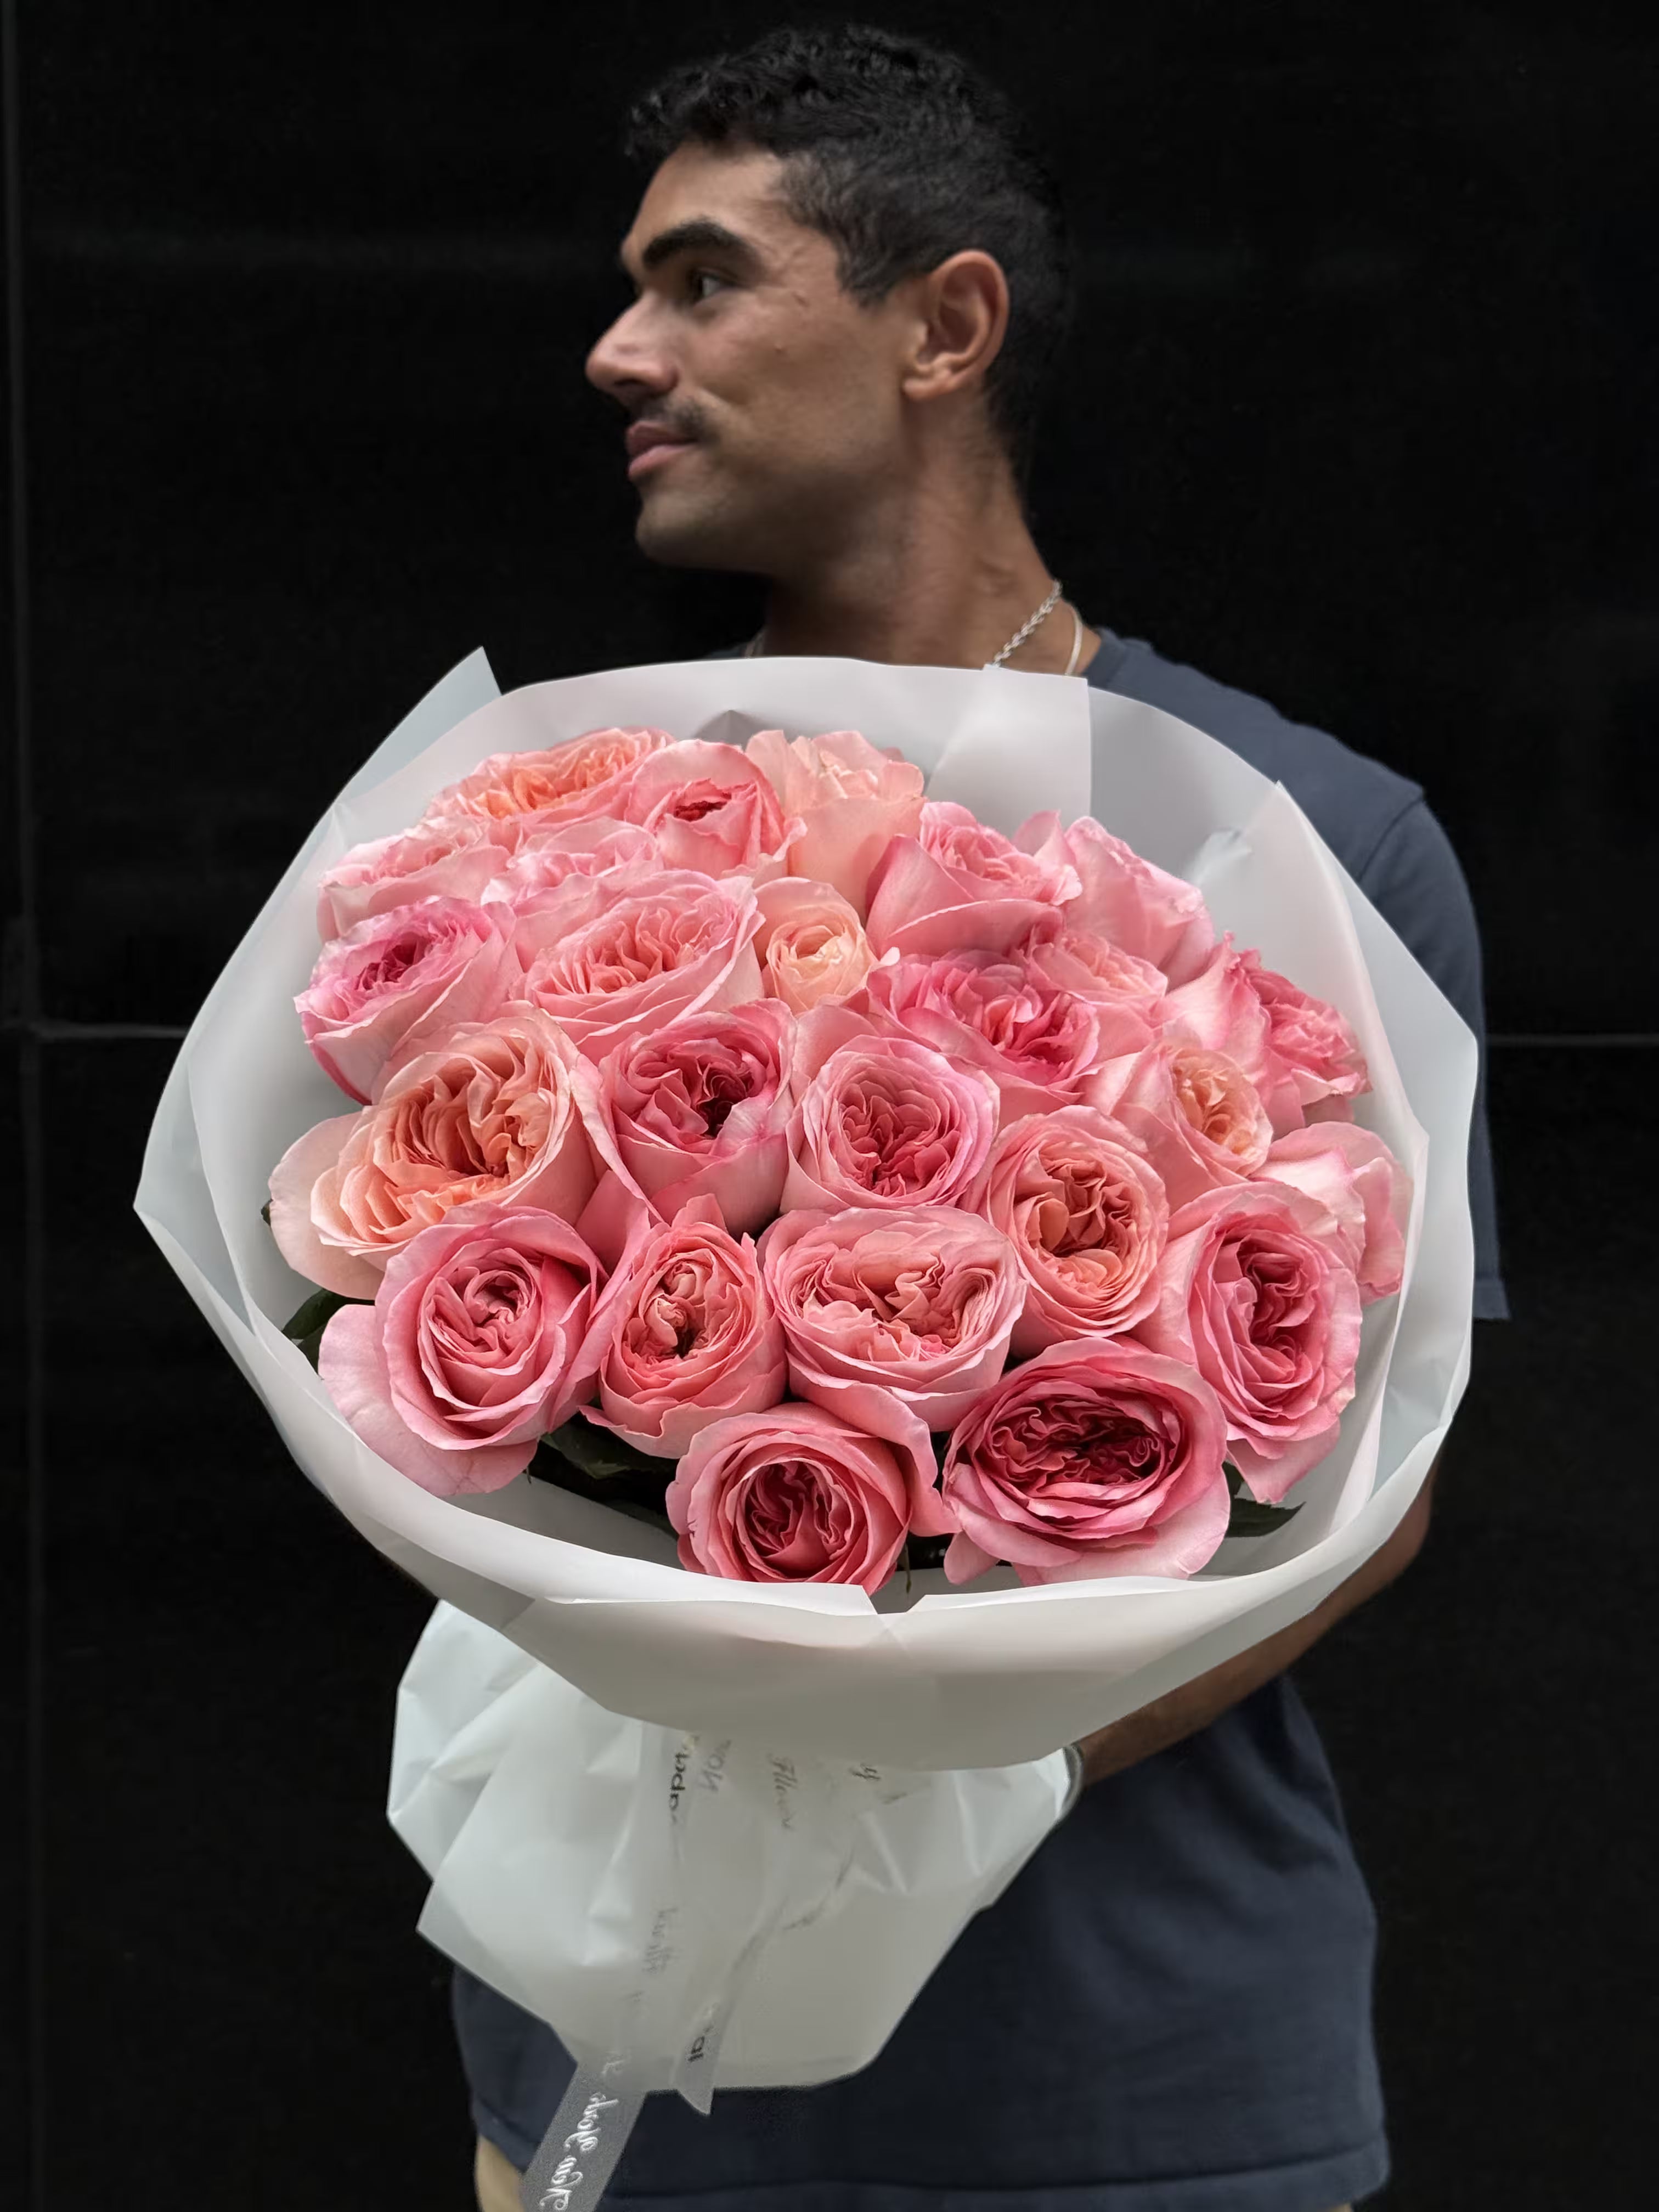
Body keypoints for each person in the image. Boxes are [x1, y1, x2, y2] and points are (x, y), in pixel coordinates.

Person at [456, 26, 1508, 2212]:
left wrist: (905, 1793)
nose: (616, 350)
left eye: (705, 279)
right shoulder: (565, 845)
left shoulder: (1310, 843)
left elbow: (1376, 1491)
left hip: (1119, 2090)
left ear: (943, 326)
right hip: (630, 2083)